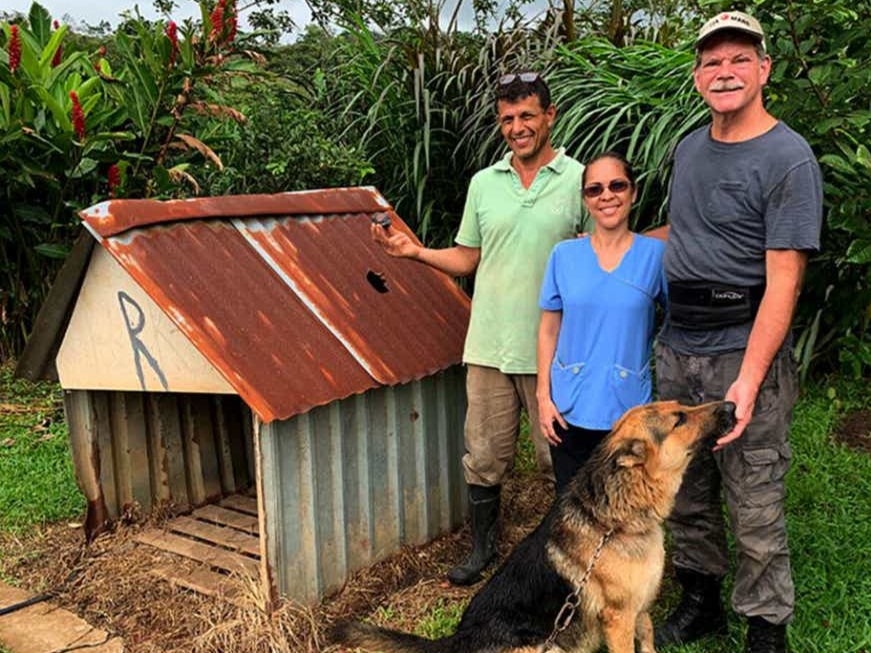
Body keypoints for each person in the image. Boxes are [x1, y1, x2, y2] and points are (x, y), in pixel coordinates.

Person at [370, 73, 587, 585]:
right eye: (508, 119)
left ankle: (572, 558)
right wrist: (414, 251)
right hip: (489, 344)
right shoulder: (484, 184)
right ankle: (483, 549)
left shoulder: (580, 179)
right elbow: (468, 258)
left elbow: (598, 260)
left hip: (553, 351)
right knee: (484, 455)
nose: (518, 127)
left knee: (562, 459)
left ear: (549, 117)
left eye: (528, 116)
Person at [653, 11, 823, 653]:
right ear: (698, 76)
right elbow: (685, 235)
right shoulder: (690, 149)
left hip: (739, 344)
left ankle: (765, 624)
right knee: (686, 485)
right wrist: (607, 250)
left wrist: (748, 382)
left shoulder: (787, 158)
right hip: (678, 346)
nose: (724, 71)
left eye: (738, 59)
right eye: (712, 62)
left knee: (752, 491)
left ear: (763, 69)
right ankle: (701, 599)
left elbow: (784, 280)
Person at [536, 152, 666, 495]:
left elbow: (677, 320)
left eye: (616, 186)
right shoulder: (563, 256)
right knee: (572, 507)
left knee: (624, 506)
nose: (606, 196)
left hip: (628, 409)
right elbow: (549, 328)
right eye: (594, 190)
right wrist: (543, 397)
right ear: (585, 200)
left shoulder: (655, 257)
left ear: (633, 192)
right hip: (569, 405)